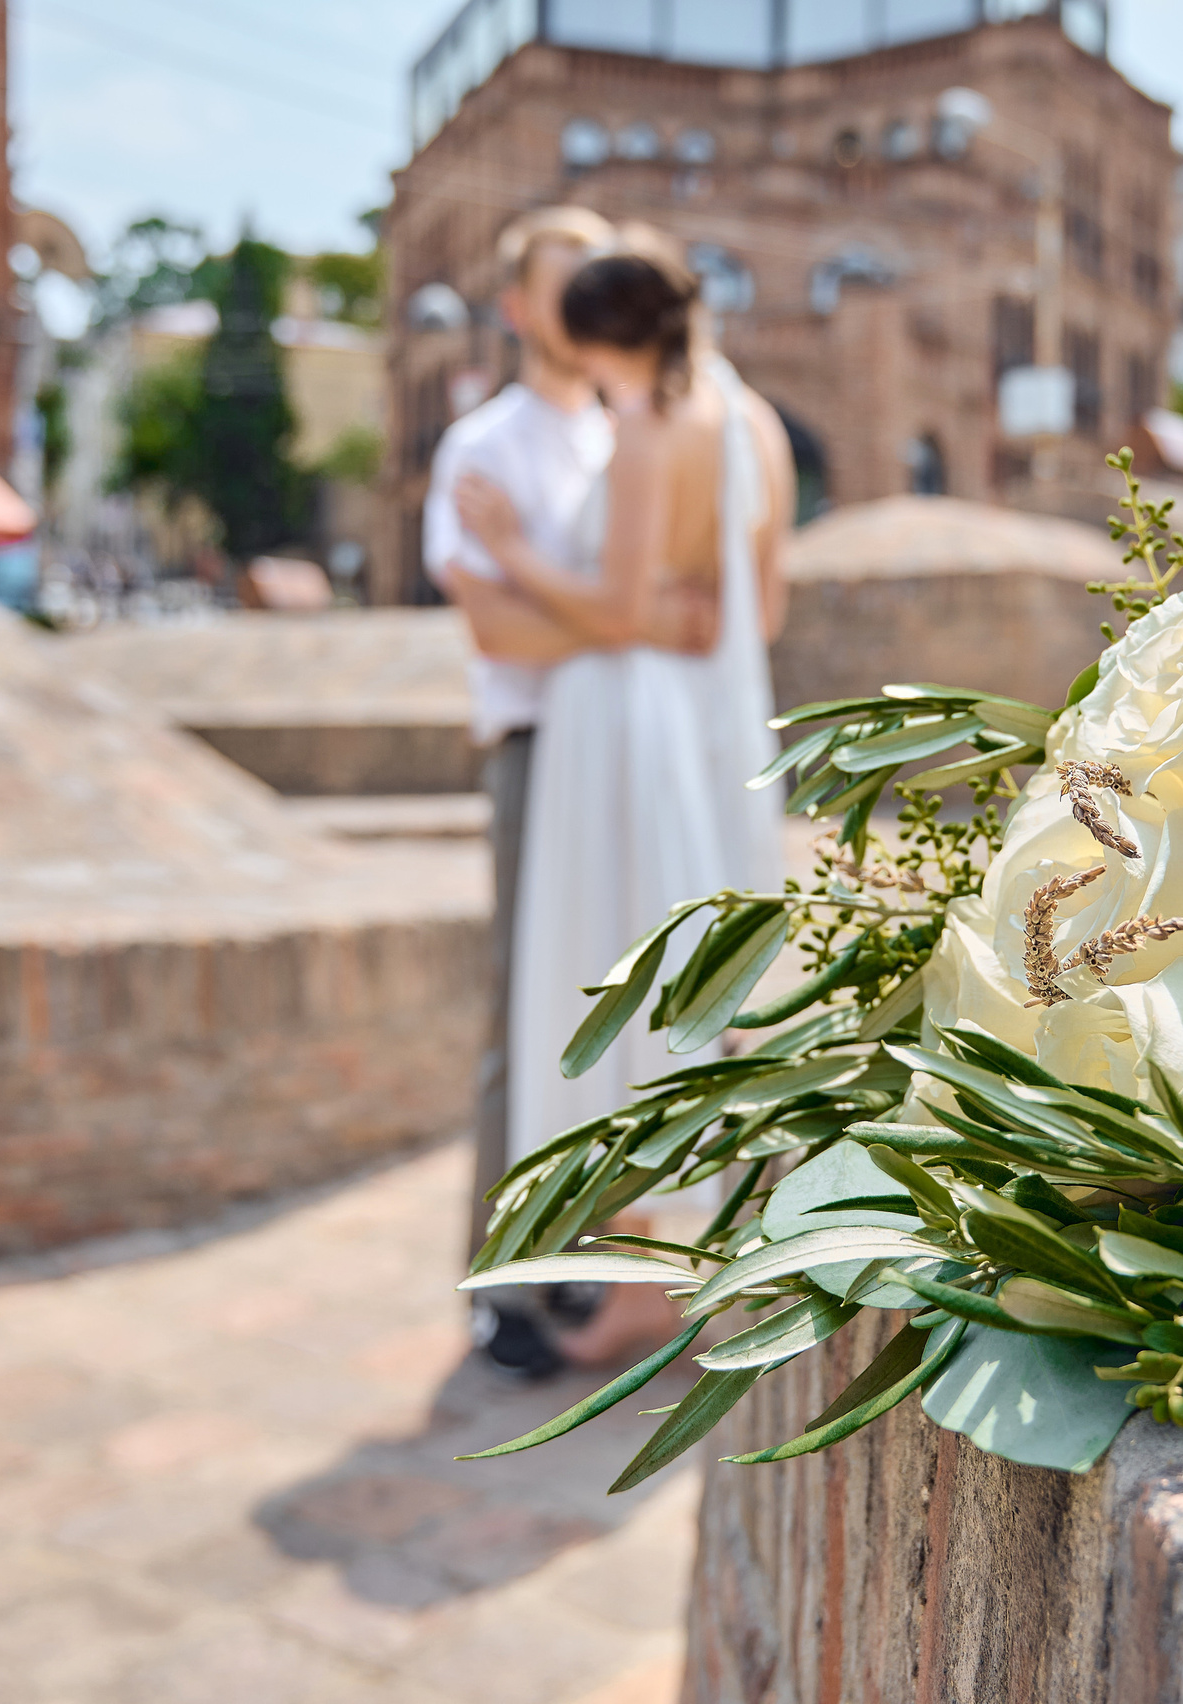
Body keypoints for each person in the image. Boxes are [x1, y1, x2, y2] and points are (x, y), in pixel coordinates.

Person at [448, 247, 797, 1368]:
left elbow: (611, 608)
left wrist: (509, 550)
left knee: (607, 977)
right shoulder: (745, 418)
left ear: (601, 340)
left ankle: (649, 1266)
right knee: (669, 971)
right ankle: (685, 1242)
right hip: (680, 721)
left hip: (618, 723)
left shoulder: (653, 424)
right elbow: (730, 602)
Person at [424, 206, 618, 1378]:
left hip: (622, 754)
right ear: (515, 310)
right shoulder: (482, 445)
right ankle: (503, 1280)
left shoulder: (624, 438)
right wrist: (610, 623)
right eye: (565, 283)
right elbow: (493, 620)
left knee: (605, 1005)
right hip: (539, 743)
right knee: (519, 1006)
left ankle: (590, 1248)